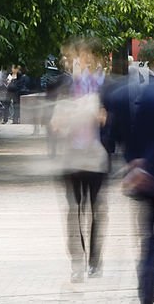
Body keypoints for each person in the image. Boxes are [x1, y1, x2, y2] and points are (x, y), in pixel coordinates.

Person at [107, 41, 154, 304]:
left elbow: (112, 136)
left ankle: (144, 278)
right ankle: (149, 282)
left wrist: (131, 162)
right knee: (152, 231)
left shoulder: (119, 95)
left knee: (143, 228)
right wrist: (148, 162)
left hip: (133, 172)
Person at [50, 62, 109, 283]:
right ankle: (78, 261)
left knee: (96, 212)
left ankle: (94, 261)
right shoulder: (64, 104)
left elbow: (106, 122)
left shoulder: (98, 98)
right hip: (73, 161)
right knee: (74, 212)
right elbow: (56, 127)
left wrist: (100, 117)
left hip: (94, 161)